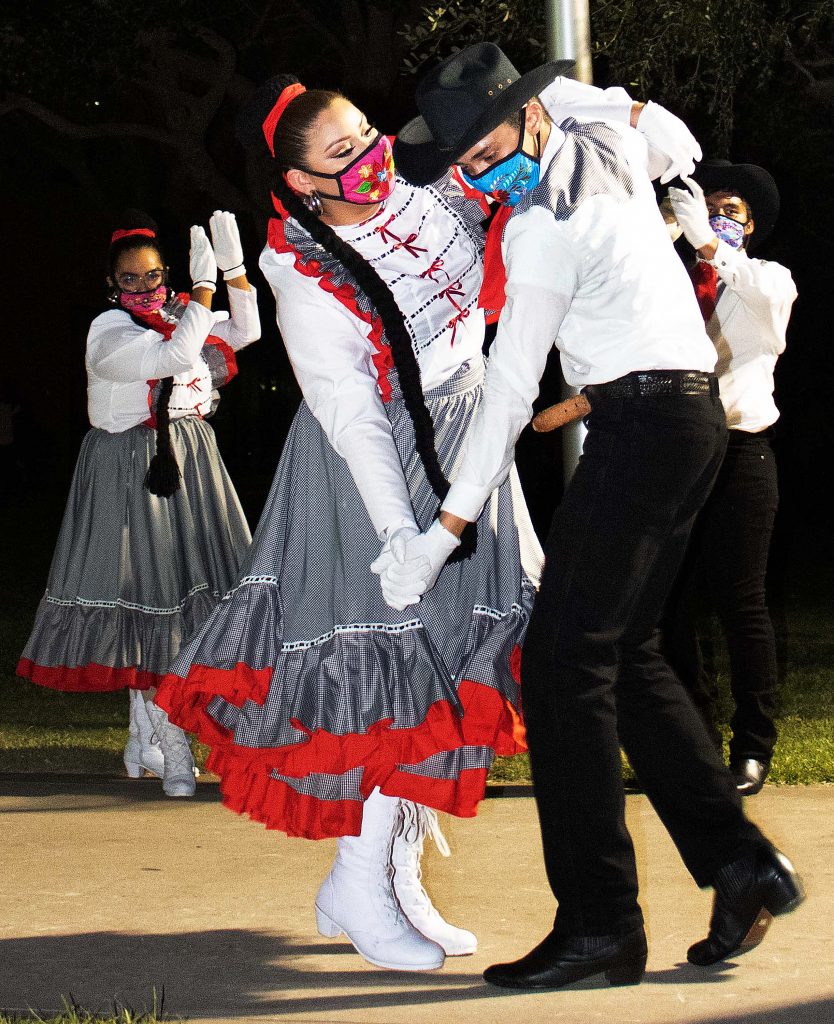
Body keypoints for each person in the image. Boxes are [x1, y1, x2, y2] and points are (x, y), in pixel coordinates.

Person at [152, 71, 656, 972]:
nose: (372, 159)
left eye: (368, 134)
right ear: (303, 182)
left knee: (458, 662)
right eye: (342, 154)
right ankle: (358, 876)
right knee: (386, 670)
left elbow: (544, 117)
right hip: (370, 466)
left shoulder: (431, 181)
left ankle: (393, 870)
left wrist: (587, 100)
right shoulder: (298, 266)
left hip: (471, 438)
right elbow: (348, 407)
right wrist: (401, 537)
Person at [387, 42, 804, 989]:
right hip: (685, 418)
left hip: (648, 424)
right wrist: (558, 93)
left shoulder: (541, 225)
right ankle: (738, 865)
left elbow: (503, 392)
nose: (488, 174)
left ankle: (600, 923)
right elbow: (673, 135)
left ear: (532, 115)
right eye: (471, 166)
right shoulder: (606, 145)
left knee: (562, 664)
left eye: (493, 146)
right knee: (625, 652)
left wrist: (444, 530)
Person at [17, 210, 260, 798]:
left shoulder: (180, 316)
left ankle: (142, 741)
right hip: (132, 473)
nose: (145, 287)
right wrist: (202, 290)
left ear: (165, 273)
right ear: (112, 285)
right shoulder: (110, 332)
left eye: (153, 275)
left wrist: (234, 269)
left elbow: (245, 332)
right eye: (131, 279)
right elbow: (176, 358)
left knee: (186, 609)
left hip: (191, 463)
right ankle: (172, 747)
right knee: (152, 609)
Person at [664, 162, 797, 795]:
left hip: (743, 452)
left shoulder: (766, 280)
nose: (717, 217)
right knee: (670, 606)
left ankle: (753, 746)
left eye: (732, 212)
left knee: (741, 604)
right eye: (707, 205)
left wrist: (712, 245)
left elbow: (765, 309)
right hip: (677, 455)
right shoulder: (671, 279)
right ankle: (692, 742)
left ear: (751, 227)